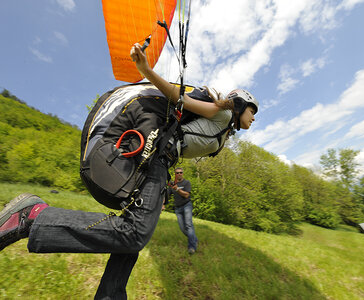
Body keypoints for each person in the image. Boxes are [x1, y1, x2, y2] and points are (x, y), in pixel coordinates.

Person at [0, 43, 258, 299]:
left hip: (161, 161)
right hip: (152, 155)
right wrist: (146, 69)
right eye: (252, 111)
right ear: (240, 103)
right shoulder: (222, 114)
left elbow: (181, 137)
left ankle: (110, 295)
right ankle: (33, 217)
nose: (254, 118)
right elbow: (178, 98)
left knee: (134, 228)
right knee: (135, 233)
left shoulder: (223, 132)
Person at [166, 167, 198, 254]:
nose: (179, 174)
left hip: (187, 205)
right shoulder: (172, 184)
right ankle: (194, 239)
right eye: (177, 173)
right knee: (183, 228)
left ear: (182, 173)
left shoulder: (186, 183)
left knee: (188, 225)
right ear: (175, 174)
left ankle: (192, 247)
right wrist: (162, 204)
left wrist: (177, 189)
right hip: (177, 208)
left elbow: (186, 195)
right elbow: (167, 195)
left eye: (180, 172)